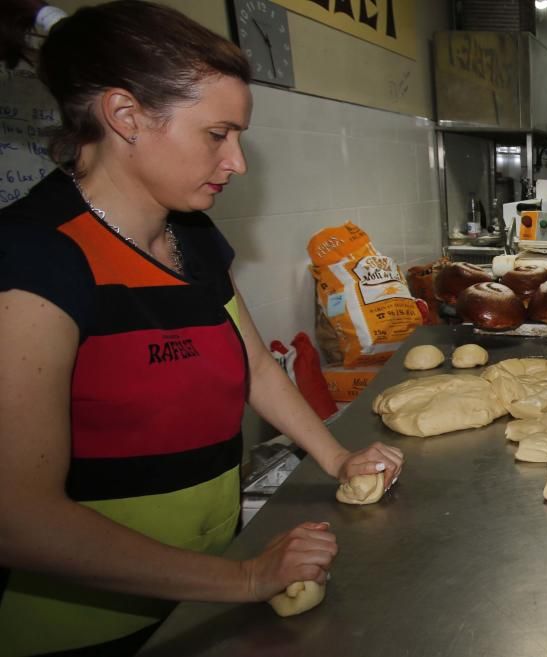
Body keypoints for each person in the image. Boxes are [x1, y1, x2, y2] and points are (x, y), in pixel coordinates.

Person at [0, 2, 404, 655]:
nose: (236, 162)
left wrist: (337, 457)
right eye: (217, 134)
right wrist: (246, 575)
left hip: (202, 601)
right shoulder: (38, 258)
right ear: (125, 116)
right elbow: (19, 518)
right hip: (92, 631)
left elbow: (259, 370)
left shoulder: (191, 238)